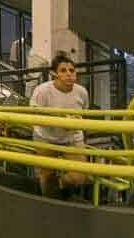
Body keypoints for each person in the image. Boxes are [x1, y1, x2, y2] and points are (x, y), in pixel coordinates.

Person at [30, 53, 89, 199]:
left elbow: (84, 114)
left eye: (72, 70)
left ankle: (60, 184)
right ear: (53, 74)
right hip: (45, 138)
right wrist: (59, 121)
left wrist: (74, 123)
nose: (69, 74)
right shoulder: (42, 91)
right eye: (63, 70)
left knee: (79, 177)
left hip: (71, 138)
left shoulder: (81, 92)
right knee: (47, 176)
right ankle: (48, 205)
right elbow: (34, 114)